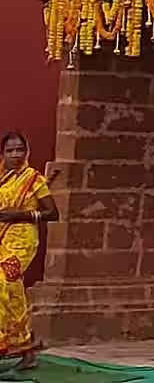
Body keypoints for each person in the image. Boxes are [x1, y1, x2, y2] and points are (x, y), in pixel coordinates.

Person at [0, 131, 57, 368]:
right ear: (2, 154)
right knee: (12, 291)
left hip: (22, 242)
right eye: (10, 150)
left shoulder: (34, 180)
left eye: (19, 150)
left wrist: (21, 214)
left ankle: (11, 343)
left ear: (27, 152)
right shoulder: (2, 179)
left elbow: (53, 213)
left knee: (3, 281)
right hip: (2, 240)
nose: (15, 154)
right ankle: (25, 347)